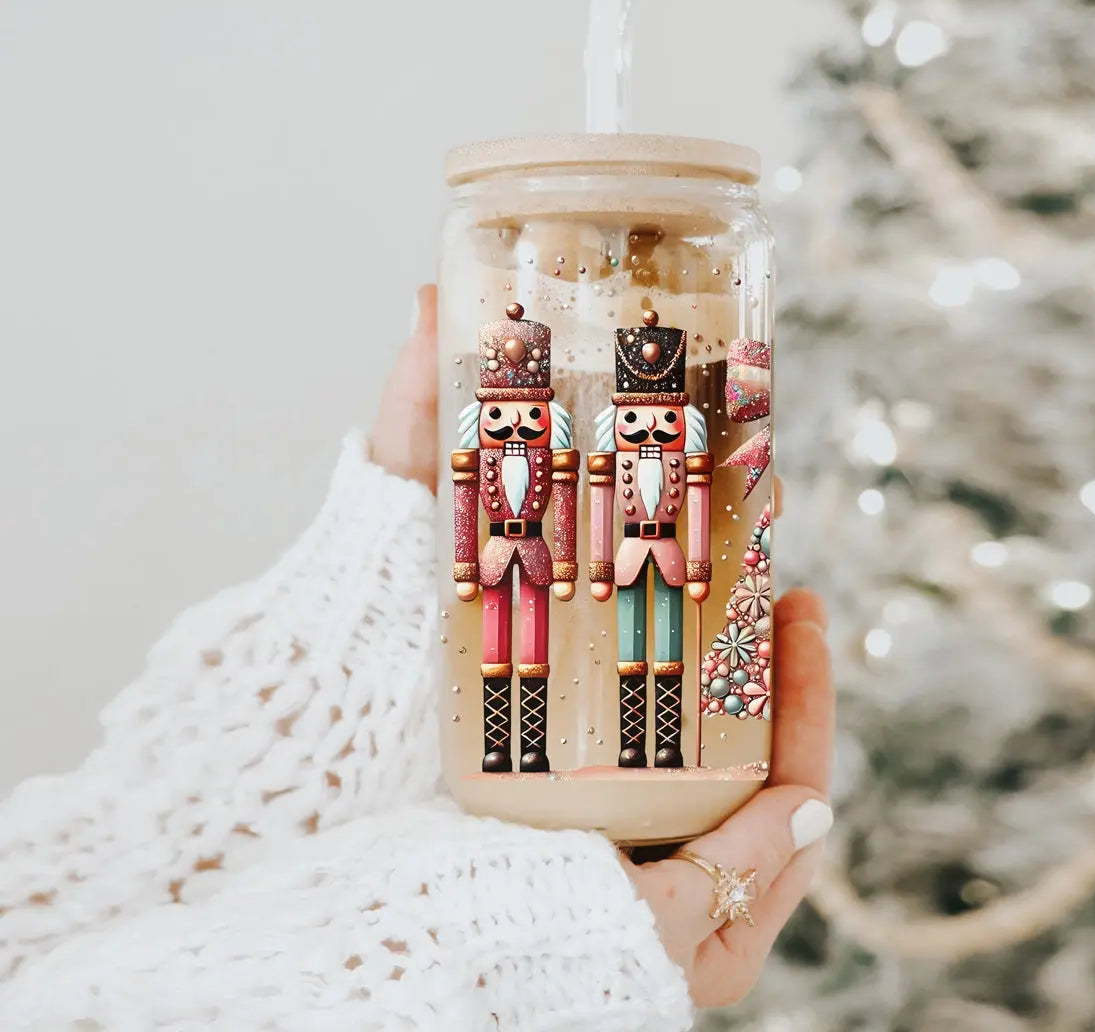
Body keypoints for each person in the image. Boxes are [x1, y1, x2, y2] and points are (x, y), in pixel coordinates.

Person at [0, 286, 834, 1029]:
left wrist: (319, 692)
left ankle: (640, 741)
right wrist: (490, 962)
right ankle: (526, 742)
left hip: (631, 575)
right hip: (528, 574)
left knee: (643, 667)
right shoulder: (522, 442)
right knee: (526, 668)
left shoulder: (660, 442)